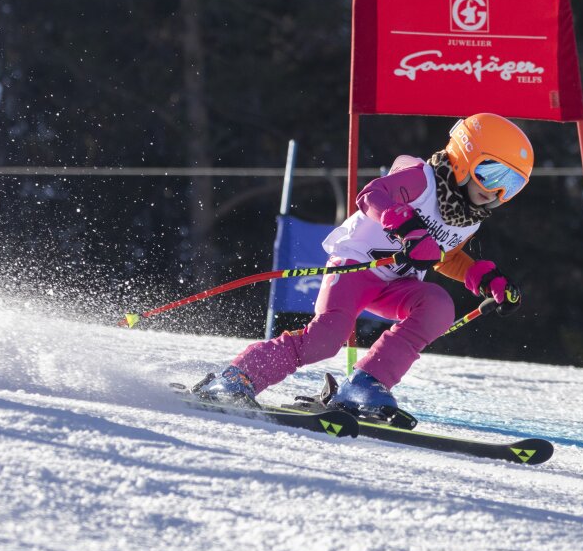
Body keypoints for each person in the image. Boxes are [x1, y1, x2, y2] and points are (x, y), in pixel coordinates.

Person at [195, 112, 534, 417]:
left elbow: (447, 256)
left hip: (396, 286)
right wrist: (408, 228)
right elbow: (372, 195)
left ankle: (365, 384)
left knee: (438, 306)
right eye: (492, 174)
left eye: (512, 186)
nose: (497, 192)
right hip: (356, 268)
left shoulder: (467, 218)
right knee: (325, 340)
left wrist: (486, 279)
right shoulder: (422, 180)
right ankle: (238, 377)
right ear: (464, 156)